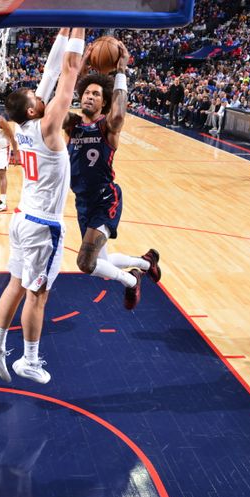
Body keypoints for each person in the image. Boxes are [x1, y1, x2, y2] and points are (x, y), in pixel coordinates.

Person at [0, 28, 85, 385]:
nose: (39, 92)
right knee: (38, 294)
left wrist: (63, 31)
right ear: (32, 107)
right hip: (43, 226)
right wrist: (80, 21)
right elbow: (69, 72)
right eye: (34, 95)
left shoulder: (25, 124)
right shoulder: (49, 123)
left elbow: (52, 72)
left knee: (16, 284)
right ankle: (30, 360)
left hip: (23, 218)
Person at [64, 47, 161, 311]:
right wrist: (80, 66)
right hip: (82, 202)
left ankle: (132, 280)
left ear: (104, 102)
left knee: (85, 263)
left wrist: (120, 72)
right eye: (86, 92)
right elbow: (58, 102)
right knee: (100, 262)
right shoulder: (71, 125)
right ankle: (146, 262)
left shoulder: (107, 126)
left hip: (106, 199)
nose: (90, 96)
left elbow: (118, 114)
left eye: (96, 93)